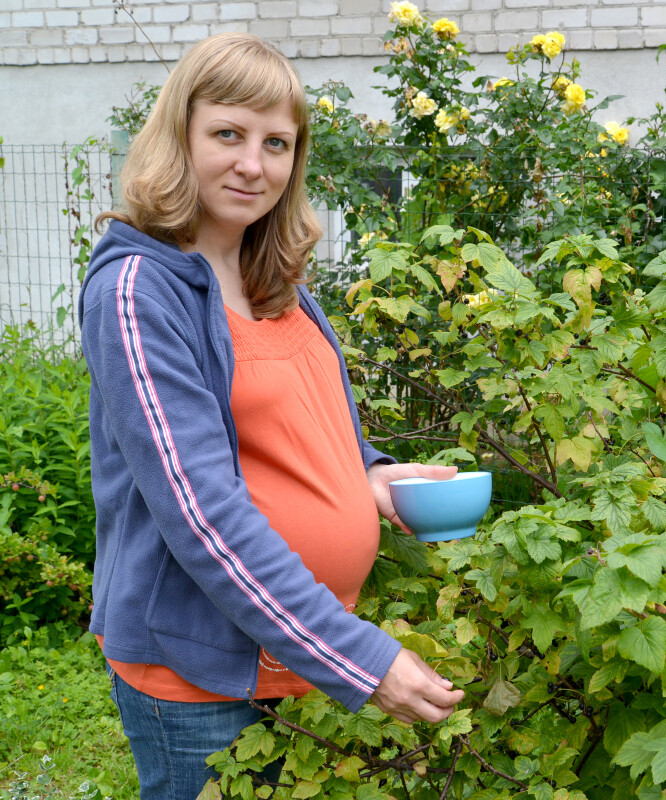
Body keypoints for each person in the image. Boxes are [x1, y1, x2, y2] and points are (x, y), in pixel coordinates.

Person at [80, 32, 464, 800]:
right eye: (228, 133)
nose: (254, 164)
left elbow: (312, 430)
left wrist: (374, 480)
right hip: (200, 674)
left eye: (277, 143)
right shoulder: (137, 293)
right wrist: (360, 657)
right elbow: (201, 512)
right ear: (179, 136)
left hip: (294, 657)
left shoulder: (272, 278)